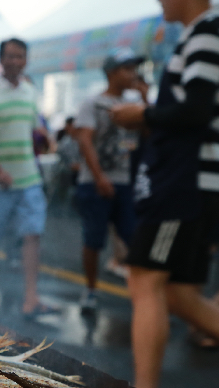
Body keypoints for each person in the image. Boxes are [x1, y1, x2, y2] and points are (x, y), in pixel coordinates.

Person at [111, 0, 219, 388]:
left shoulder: (208, 35)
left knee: (143, 278)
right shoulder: (205, 34)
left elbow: (195, 110)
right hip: (197, 182)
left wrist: (142, 114)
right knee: (178, 294)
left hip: (186, 182)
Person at [0, 38, 50, 316]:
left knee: (32, 234)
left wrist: (44, 137)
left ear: (26, 59)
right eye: (10, 56)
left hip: (28, 177)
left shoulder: (30, 91)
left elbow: (34, 129)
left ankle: (31, 297)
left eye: (20, 56)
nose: (16, 61)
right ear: (1, 60)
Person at [74, 48, 143, 314]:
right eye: (127, 69)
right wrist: (100, 178)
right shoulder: (92, 103)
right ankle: (90, 290)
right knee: (93, 240)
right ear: (112, 72)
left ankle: (143, 298)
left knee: (134, 240)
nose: (133, 74)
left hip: (126, 182)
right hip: (94, 182)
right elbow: (85, 140)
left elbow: (150, 134)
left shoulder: (137, 103)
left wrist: (146, 100)